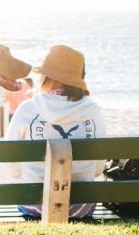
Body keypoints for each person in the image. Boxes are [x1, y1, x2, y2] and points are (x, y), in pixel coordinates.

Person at [6, 45, 106, 218]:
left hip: (33, 204)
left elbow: (12, 167)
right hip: (80, 206)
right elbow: (98, 169)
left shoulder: (28, 108)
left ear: (47, 77)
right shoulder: (94, 110)